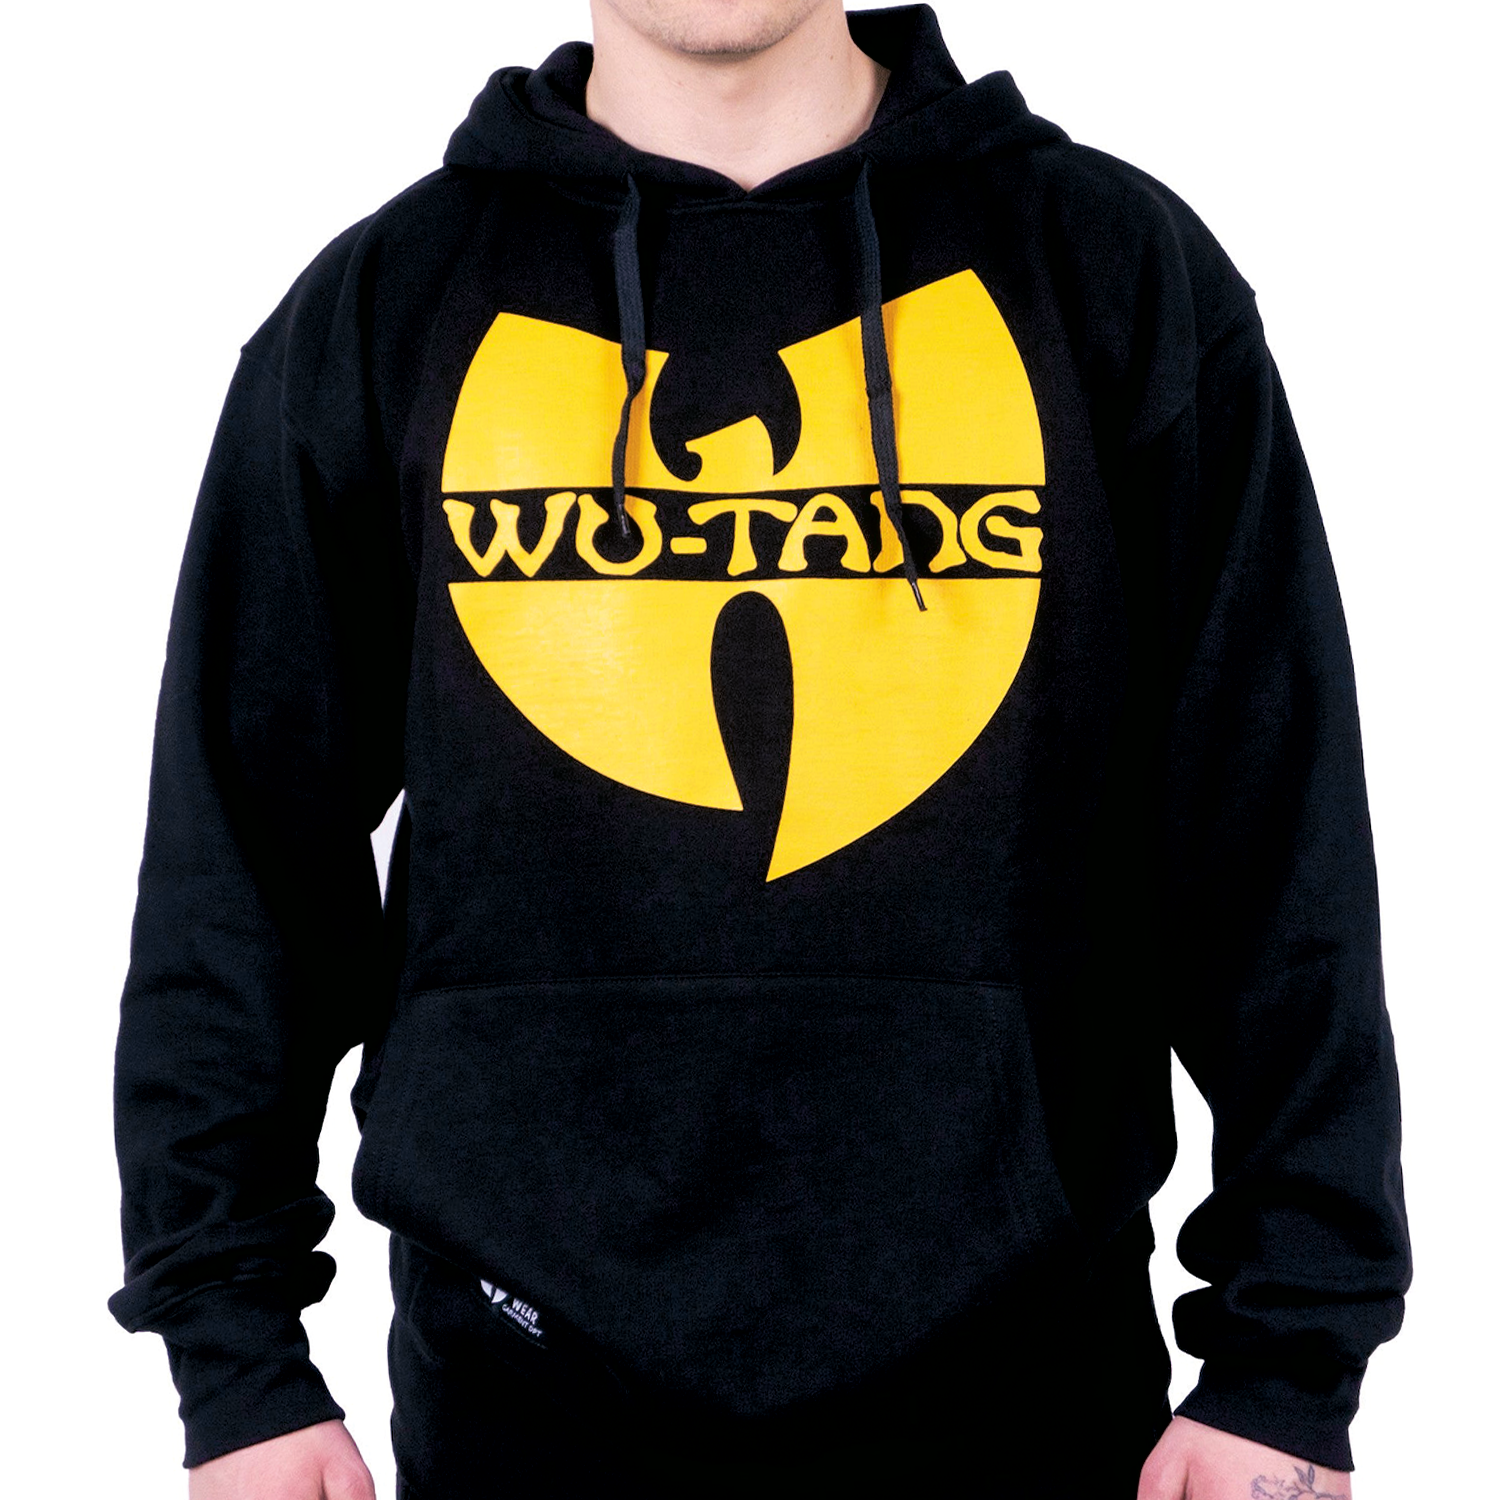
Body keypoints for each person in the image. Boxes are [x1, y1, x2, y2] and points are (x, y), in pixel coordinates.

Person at [109, 2, 1411, 1496]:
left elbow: (1273, 835)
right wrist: (237, 1363)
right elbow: (240, 858)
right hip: (524, 1392)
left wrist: (1287, 1361)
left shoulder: (1111, 270)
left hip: (1029, 1388)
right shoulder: (388, 305)